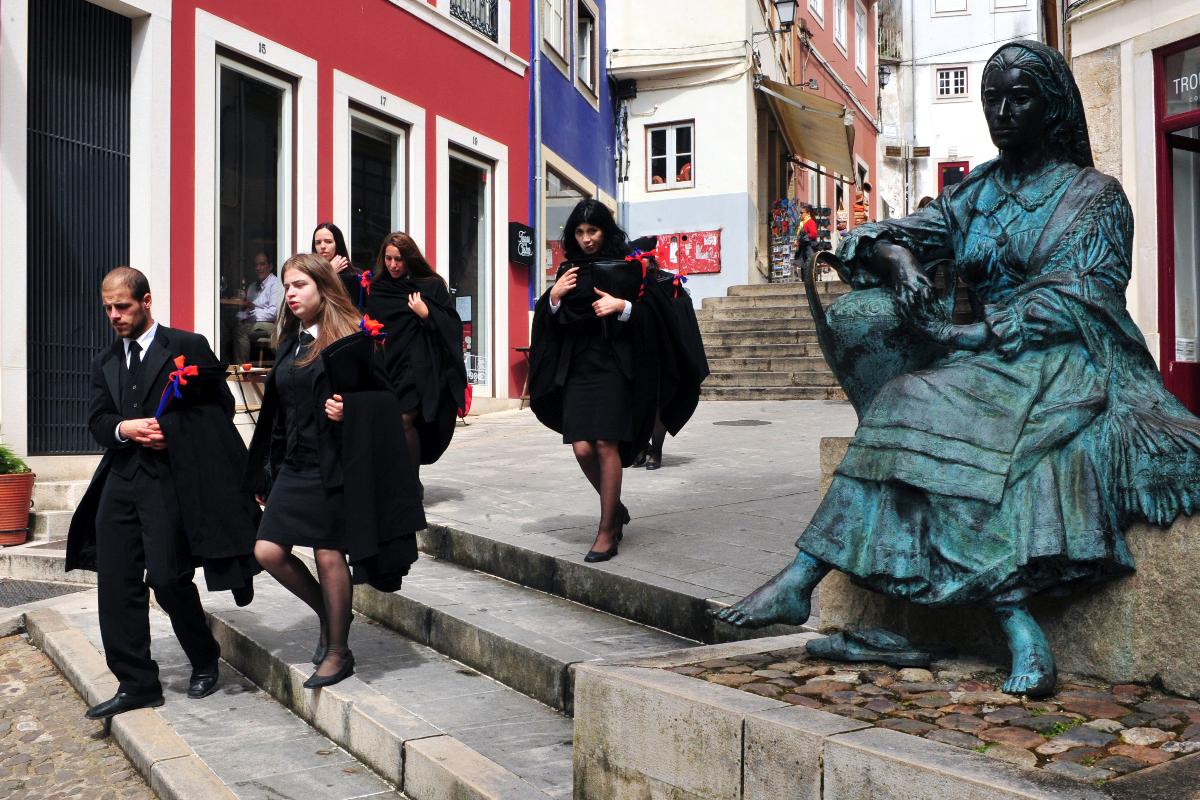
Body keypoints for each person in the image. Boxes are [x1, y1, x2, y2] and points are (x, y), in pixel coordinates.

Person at [714, 41, 1200, 698]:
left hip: (1064, 359)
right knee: (914, 400)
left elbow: (1081, 295)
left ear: (1052, 105)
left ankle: (822, 583)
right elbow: (883, 236)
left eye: (1019, 96)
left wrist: (970, 331)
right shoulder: (978, 192)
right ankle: (995, 618)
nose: (1001, 111)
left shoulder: (1096, 196)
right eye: (991, 97)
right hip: (981, 358)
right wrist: (902, 262)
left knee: (931, 410)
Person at [67, 267, 260, 722]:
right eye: (108, 307)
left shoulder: (187, 345)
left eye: (123, 306)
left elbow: (220, 407)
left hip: (171, 479)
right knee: (115, 582)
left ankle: (205, 655)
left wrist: (171, 432)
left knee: (169, 578)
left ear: (146, 301)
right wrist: (122, 427)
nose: (114, 315)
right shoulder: (106, 361)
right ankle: (136, 683)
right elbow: (97, 421)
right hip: (120, 481)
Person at [245, 254, 425, 689]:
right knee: (267, 551)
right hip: (295, 466)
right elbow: (280, 412)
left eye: (299, 285)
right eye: (287, 286)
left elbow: (389, 402)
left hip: (334, 467)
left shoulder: (351, 339)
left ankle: (340, 651)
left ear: (324, 289)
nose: (290, 293)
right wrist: (267, 471)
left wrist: (352, 408)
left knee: (329, 554)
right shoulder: (290, 341)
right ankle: (329, 611)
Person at [529, 202, 708, 560]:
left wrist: (621, 308)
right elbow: (553, 321)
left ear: (605, 231)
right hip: (578, 366)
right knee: (581, 447)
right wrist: (553, 297)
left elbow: (655, 318)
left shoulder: (632, 268)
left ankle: (607, 530)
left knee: (605, 445)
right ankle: (617, 509)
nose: (586, 239)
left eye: (592, 231)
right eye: (579, 233)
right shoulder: (569, 270)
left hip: (615, 366)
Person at [364, 232, 467, 483]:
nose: (393, 265)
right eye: (388, 258)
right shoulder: (377, 288)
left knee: (403, 421)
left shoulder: (429, 285)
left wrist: (427, 313)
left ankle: (410, 485)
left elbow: (452, 326)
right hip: (388, 365)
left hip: (418, 368)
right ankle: (399, 482)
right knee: (389, 426)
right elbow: (368, 325)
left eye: (398, 259)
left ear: (409, 258)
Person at [235, 252, 283, 362]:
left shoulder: (275, 284)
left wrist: (253, 310)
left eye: (262, 264)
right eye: (256, 265)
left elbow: (274, 312)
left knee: (240, 331)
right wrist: (240, 313)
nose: (258, 268)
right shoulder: (251, 287)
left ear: (270, 266)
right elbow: (247, 311)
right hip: (254, 323)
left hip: (273, 325)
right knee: (231, 326)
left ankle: (242, 370)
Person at [312, 223, 364, 309]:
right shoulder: (308, 272)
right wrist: (330, 271)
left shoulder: (356, 275)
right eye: (318, 242)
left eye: (328, 242)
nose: (322, 246)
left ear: (338, 244)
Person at [794, 204, 819, 268]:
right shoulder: (803, 223)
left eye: (802, 213)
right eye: (800, 213)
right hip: (804, 249)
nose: (800, 214)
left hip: (809, 248)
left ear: (808, 213)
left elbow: (814, 234)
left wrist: (802, 239)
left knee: (809, 267)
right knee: (804, 268)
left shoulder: (810, 222)